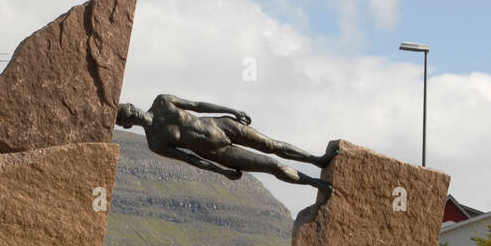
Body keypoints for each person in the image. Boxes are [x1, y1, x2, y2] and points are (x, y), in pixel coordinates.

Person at [116, 95, 335, 191]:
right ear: (127, 125)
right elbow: (190, 159)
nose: (133, 112)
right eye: (128, 116)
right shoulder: (154, 142)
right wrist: (221, 172)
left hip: (220, 125)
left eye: (130, 107)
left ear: (133, 104)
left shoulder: (162, 101)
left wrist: (230, 110)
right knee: (272, 165)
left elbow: (197, 105)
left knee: (272, 145)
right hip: (219, 152)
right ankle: (315, 183)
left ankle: (317, 160)